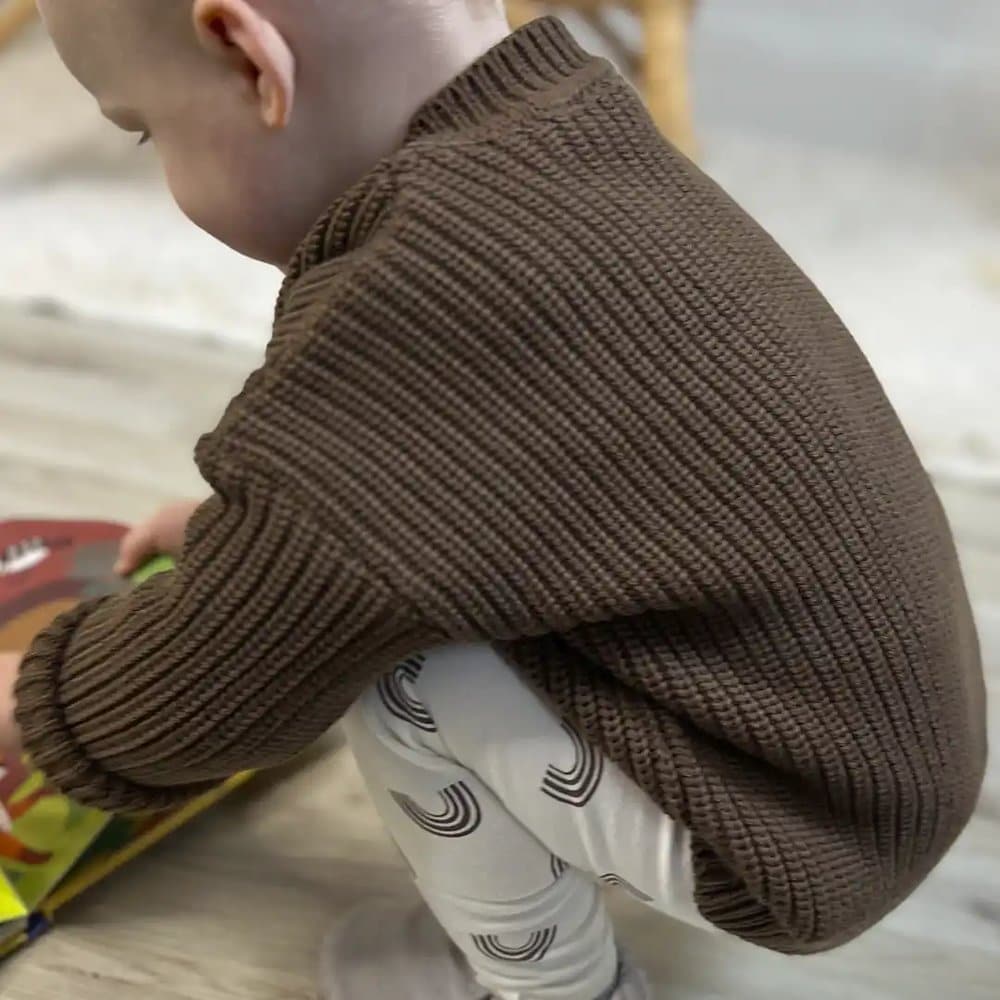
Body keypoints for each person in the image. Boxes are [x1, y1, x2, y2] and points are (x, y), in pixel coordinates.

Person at [0, 2, 987, 998]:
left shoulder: (423, 290)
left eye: (144, 130)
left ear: (249, 58)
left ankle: (555, 987)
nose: (158, 167)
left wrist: (37, 710)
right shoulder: (564, 129)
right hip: (857, 756)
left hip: (792, 825)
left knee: (400, 671)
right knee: (393, 598)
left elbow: (227, 663)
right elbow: (477, 497)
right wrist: (258, 535)